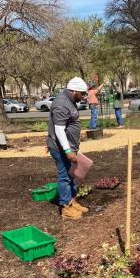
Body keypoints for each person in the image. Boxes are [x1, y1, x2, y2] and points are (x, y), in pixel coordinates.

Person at [47, 77, 90, 219]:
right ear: (74, 90)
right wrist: (67, 150)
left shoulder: (69, 101)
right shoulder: (61, 104)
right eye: (82, 94)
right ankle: (66, 207)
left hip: (69, 147)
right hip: (62, 149)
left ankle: (71, 201)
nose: (84, 96)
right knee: (64, 176)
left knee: (70, 175)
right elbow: (59, 130)